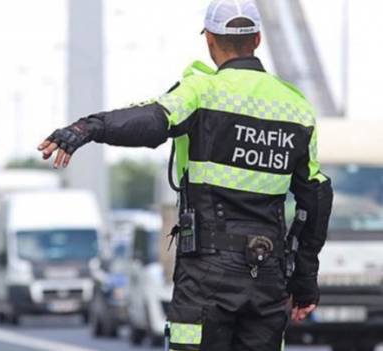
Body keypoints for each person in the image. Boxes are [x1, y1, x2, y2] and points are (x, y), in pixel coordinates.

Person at [37, 1, 333, 350]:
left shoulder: (201, 91)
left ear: (209, 39)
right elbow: (315, 198)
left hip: (208, 273)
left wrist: (87, 128)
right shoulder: (296, 108)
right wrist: (304, 281)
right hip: (267, 272)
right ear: (257, 40)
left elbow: (149, 122)